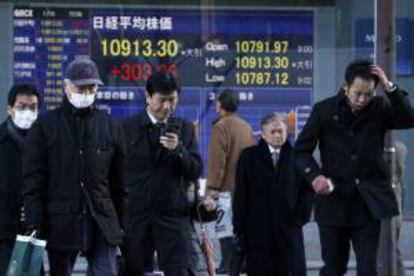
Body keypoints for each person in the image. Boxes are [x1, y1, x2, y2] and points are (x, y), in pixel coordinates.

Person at [294, 59, 414, 276]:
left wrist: (390, 87)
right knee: (333, 268)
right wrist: (315, 177)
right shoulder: (324, 110)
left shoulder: (379, 107)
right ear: (345, 86)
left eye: (368, 94)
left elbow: (408, 118)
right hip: (333, 202)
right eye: (357, 93)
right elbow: (301, 152)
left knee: (368, 269)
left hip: (368, 204)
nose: (362, 99)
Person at [23, 58, 128, 276]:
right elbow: (34, 181)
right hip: (61, 223)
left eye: (92, 87)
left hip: (101, 222)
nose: (87, 92)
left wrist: (123, 222)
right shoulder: (45, 126)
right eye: (81, 87)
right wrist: (35, 224)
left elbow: (120, 182)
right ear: (67, 86)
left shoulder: (110, 126)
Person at [122, 71, 202, 276]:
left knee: (180, 270)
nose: (167, 107)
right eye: (161, 100)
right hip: (137, 216)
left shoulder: (184, 128)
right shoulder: (128, 128)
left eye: (172, 100)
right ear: (148, 98)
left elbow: (194, 169)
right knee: (135, 269)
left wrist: (178, 151)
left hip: (173, 215)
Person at [233, 113, 313, 276]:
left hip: (289, 228)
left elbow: (308, 191)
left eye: (281, 131)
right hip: (257, 230)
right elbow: (241, 193)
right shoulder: (249, 157)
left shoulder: (297, 157)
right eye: (273, 132)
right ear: (262, 134)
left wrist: (299, 218)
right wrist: (239, 227)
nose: (277, 135)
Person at [205, 89, 253, 274]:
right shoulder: (246, 126)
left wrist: (212, 189)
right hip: (243, 188)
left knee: (224, 229)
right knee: (239, 228)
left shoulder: (221, 127)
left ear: (221, 105)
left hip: (224, 188)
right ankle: (241, 262)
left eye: (217, 102)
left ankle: (227, 264)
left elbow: (218, 161)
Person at [0, 83, 40, 275]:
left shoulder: (45, 140)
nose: (27, 112)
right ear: (9, 109)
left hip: (33, 230)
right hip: (4, 229)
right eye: (21, 107)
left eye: (33, 107)